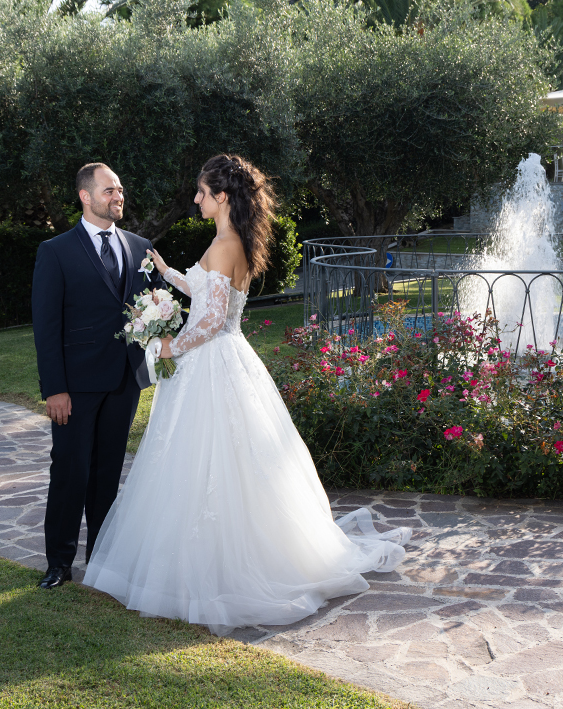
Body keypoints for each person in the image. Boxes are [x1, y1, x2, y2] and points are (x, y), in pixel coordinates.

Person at [82, 154, 411, 634]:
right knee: (226, 462)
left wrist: (169, 346)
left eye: (201, 192)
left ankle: (219, 570)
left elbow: (212, 321)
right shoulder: (232, 241)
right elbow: (206, 294)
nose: (196, 199)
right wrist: (168, 273)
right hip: (227, 359)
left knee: (205, 460)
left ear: (221, 196)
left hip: (212, 362)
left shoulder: (223, 245)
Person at [32, 162, 165, 590]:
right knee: (70, 471)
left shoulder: (140, 246)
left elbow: (152, 306)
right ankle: (59, 562)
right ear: (85, 196)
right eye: (109, 190)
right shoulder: (55, 251)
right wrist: (55, 389)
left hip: (124, 381)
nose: (118, 196)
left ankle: (103, 559)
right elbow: (46, 327)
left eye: (120, 190)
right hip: (75, 386)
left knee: (108, 473)